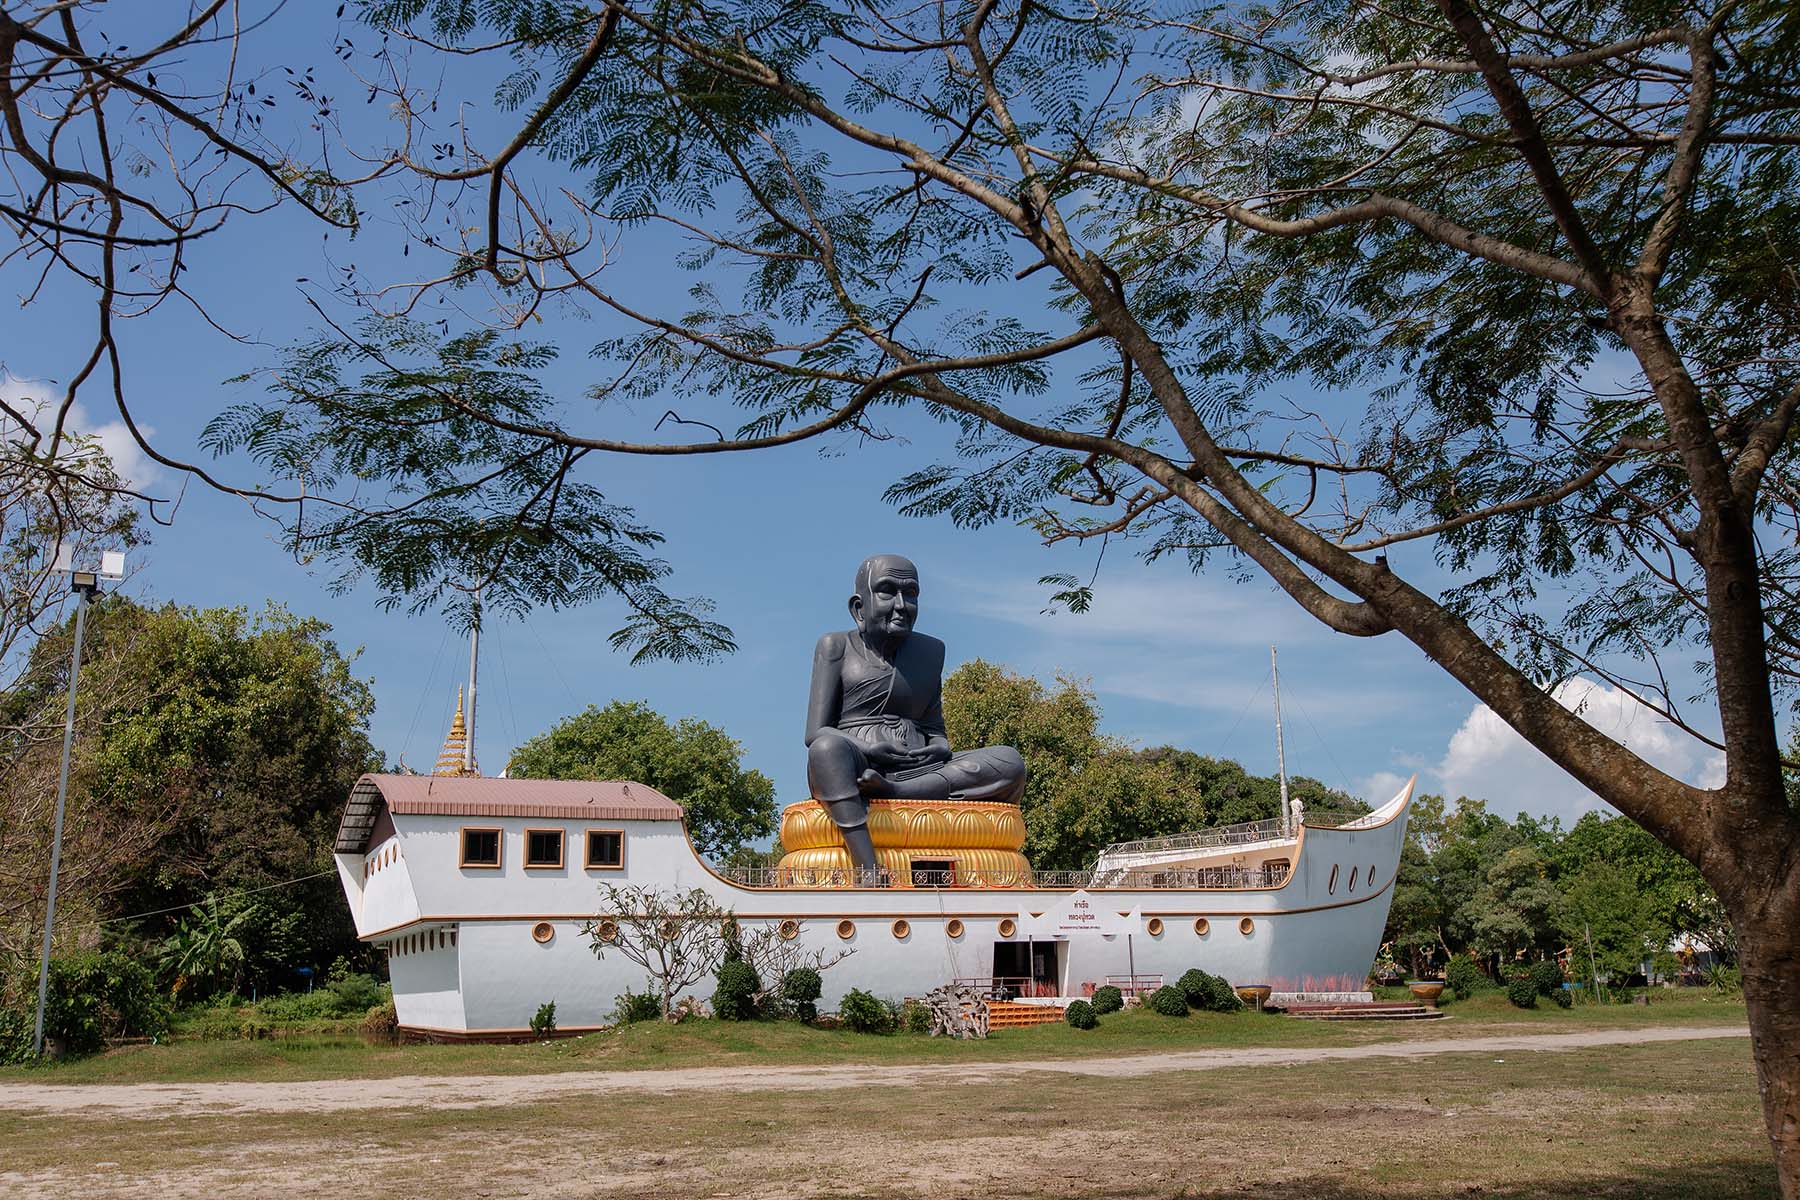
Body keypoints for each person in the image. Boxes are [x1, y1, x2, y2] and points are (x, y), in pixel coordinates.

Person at [805, 554, 1027, 879]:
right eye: (887, 592)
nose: (901, 605)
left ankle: (894, 794)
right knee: (824, 750)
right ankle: (867, 867)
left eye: (910, 594)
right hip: (857, 769)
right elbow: (815, 731)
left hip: (920, 771)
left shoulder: (931, 651)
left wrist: (938, 747)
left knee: (1009, 761)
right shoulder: (835, 646)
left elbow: (934, 728)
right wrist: (867, 749)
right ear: (858, 607)